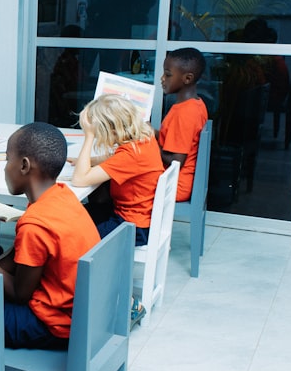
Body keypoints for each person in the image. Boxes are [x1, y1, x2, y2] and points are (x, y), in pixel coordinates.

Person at [0, 123, 101, 350]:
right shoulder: (62, 196)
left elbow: (19, 294)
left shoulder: (35, 225)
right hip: (81, 313)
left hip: (55, 325)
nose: (5, 168)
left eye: (8, 159)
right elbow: (17, 257)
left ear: (24, 165)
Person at [71, 93, 164, 247]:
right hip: (136, 217)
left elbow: (79, 180)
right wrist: (87, 161)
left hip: (132, 227)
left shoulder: (130, 155)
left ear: (111, 131)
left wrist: (89, 136)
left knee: (71, 235)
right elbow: (115, 159)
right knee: (72, 217)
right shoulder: (144, 139)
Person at [157, 47, 208, 203]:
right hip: (174, 179)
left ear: (187, 78)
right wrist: (152, 133)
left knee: (118, 173)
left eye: (168, 75)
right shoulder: (196, 104)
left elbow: (176, 161)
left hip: (173, 184)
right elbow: (175, 138)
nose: (162, 78)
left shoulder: (184, 113)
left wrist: (152, 144)